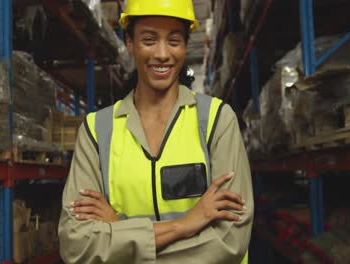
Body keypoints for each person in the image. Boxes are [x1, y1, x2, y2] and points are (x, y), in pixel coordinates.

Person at [58, 0, 254, 263]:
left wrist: (119, 232)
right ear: (129, 43)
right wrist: (183, 225)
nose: (162, 54)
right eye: (149, 40)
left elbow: (229, 241)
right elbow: (76, 244)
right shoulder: (96, 131)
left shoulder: (217, 121)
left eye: (174, 41)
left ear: (185, 45)